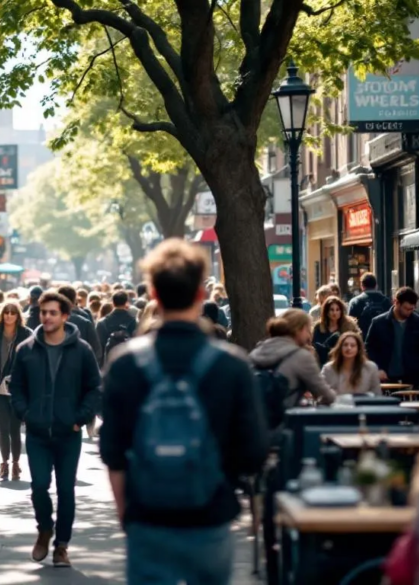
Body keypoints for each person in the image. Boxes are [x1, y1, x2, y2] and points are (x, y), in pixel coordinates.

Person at [100, 239, 268, 583]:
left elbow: (113, 452)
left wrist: (126, 514)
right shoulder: (231, 365)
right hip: (211, 516)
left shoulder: (126, 364)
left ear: (154, 295)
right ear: (200, 295)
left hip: (148, 516)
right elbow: (253, 453)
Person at [10, 291, 99, 567]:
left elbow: (94, 388)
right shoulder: (26, 349)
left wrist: (80, 418)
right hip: (37, 432)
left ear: (65, 316)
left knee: (66, 490)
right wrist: (25, 413)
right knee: (38, 486)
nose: (46, 317)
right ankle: (44, 529)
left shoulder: (81, 350)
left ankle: (62, 546)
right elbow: (17, 388)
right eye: (42, 312)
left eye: (52, 312)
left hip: (67, 432)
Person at [0, 299, 32, 481]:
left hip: (18, 388)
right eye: (6, 312)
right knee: (3, 427)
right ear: (1, 314)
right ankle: (4, 463)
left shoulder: (27, 334)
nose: (9, 316)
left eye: (13, 312)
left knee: (15, 428)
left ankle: (16, 463)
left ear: (18, 315)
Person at [249, 309, 338, 407]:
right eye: (308, 330)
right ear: (300, 329)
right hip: (284, 418)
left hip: (255, 417)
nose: (309, 336)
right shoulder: (301, 356)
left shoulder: (258, 350)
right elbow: (325, 395)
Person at [366, 287, 419, 387]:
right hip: (386, 377)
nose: (409, 312)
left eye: (412, 309)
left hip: (413, 378)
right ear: (396, 302)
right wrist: (377, 368)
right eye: (406, 308)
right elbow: (369, 348)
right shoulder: (379, 323)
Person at [311, 296, 359, 366]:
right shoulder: (319, 327)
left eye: (337, 310)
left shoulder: (349, 326)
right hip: (322, 363)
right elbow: (314, 345)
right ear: (327, 312)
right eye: (332, 310)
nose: (335, 313)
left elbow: (357, 345)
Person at [348, 272, 392, 341]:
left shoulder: (355, 302)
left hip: (362, 341)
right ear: (376, 286)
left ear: (362, 286)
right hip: (383, 340)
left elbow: (350, 325)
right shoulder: (386, 301)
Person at [96, 290, 138, 361]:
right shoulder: (133, 321)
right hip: (128, 361)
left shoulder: (102, 323)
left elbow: (98, 347)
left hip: (107, 362)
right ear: (126, 302)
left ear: (112, 302)